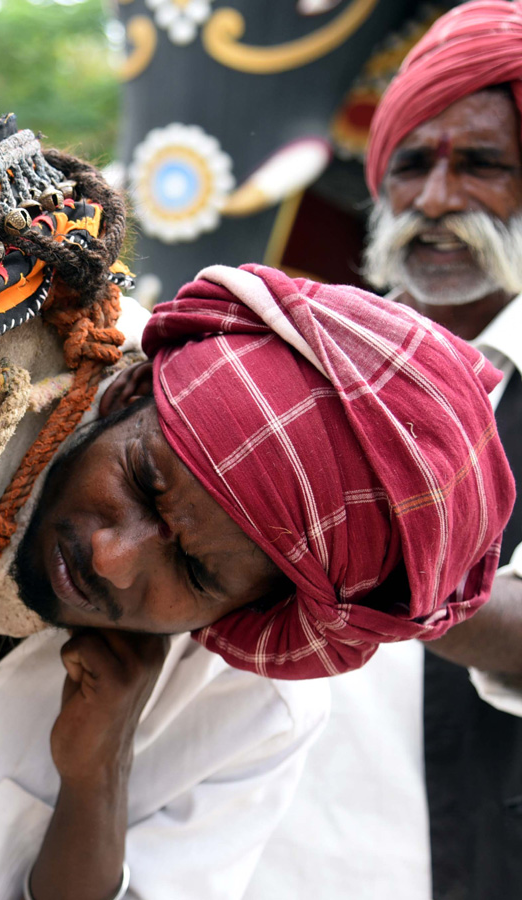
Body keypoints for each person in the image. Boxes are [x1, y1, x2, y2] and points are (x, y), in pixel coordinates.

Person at [0, 256, 515, 900]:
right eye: (143, 483)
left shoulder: (252, 711)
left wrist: (97, 778)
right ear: (127, 397)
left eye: (195, 570)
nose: (112, 557)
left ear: (242, 616)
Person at [245, 3, 522, 898]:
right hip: (272, 850)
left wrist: (331, 555)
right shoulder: (308, 363)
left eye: (480, 165)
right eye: (411, 165)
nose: (436, 200)